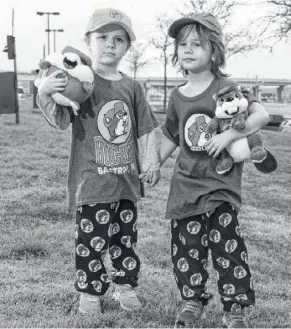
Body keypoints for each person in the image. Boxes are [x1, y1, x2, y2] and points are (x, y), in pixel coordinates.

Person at [36, 7, 160, 315]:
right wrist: (46, 94)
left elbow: (146, 129)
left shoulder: (132, 87)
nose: (110, 44)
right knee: (90, 241)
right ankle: (90, 292)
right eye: (102, 37)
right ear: (88, 41)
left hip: (126, 183)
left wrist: (152, 162)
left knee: (125, 240)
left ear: (127, 46)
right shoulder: (81, 84)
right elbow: (61, 121)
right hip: (91, 182)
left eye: (119, 39)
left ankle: (126, 287)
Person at [157, 12, 270, 328]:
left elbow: (261, 116)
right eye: (182, 44)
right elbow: (170, 135)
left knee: (228, 251)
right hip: (184, 190)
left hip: (220, 188)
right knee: (186, 253)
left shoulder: (225, 87)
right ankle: (192, 301)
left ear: (215, 51)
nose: (188, 49)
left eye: (197, 44)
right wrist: (152, 165)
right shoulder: (177, 96)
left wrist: (230, 134)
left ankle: (235, 308)